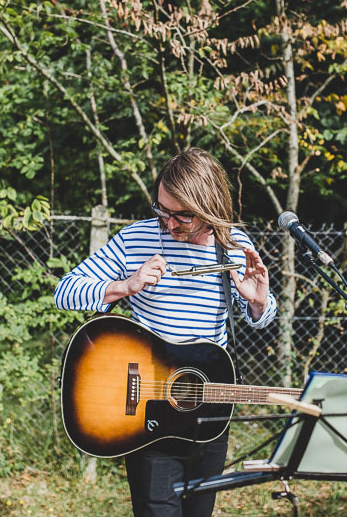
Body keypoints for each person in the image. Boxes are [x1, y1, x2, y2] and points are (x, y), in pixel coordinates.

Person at [54, 147, 278, 517]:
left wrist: (257, 302)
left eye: (182, 216)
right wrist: (125, 286)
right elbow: (65, 291)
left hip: (208, 412)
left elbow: (261, 316)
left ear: (209, 210)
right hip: (148, 407)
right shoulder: (135, 239)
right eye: (162, 209)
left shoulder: (234, 247)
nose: (168, 224)